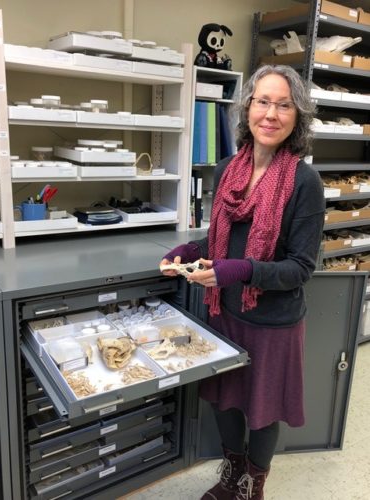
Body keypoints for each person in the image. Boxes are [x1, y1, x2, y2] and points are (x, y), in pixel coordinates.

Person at [160, 64, 325, 500]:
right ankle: (232, 474)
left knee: (262, 410)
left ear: (297, 116)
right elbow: (223, 237)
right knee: (226, 397)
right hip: (226, 309)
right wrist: (190, 251)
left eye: (284, 104)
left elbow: (300, 268)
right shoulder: (227, 169)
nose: (271, 114)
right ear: (248, 107)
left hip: (274, 320)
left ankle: (252, 486)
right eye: (262, 101)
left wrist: (240, 269)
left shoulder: (305, 182)